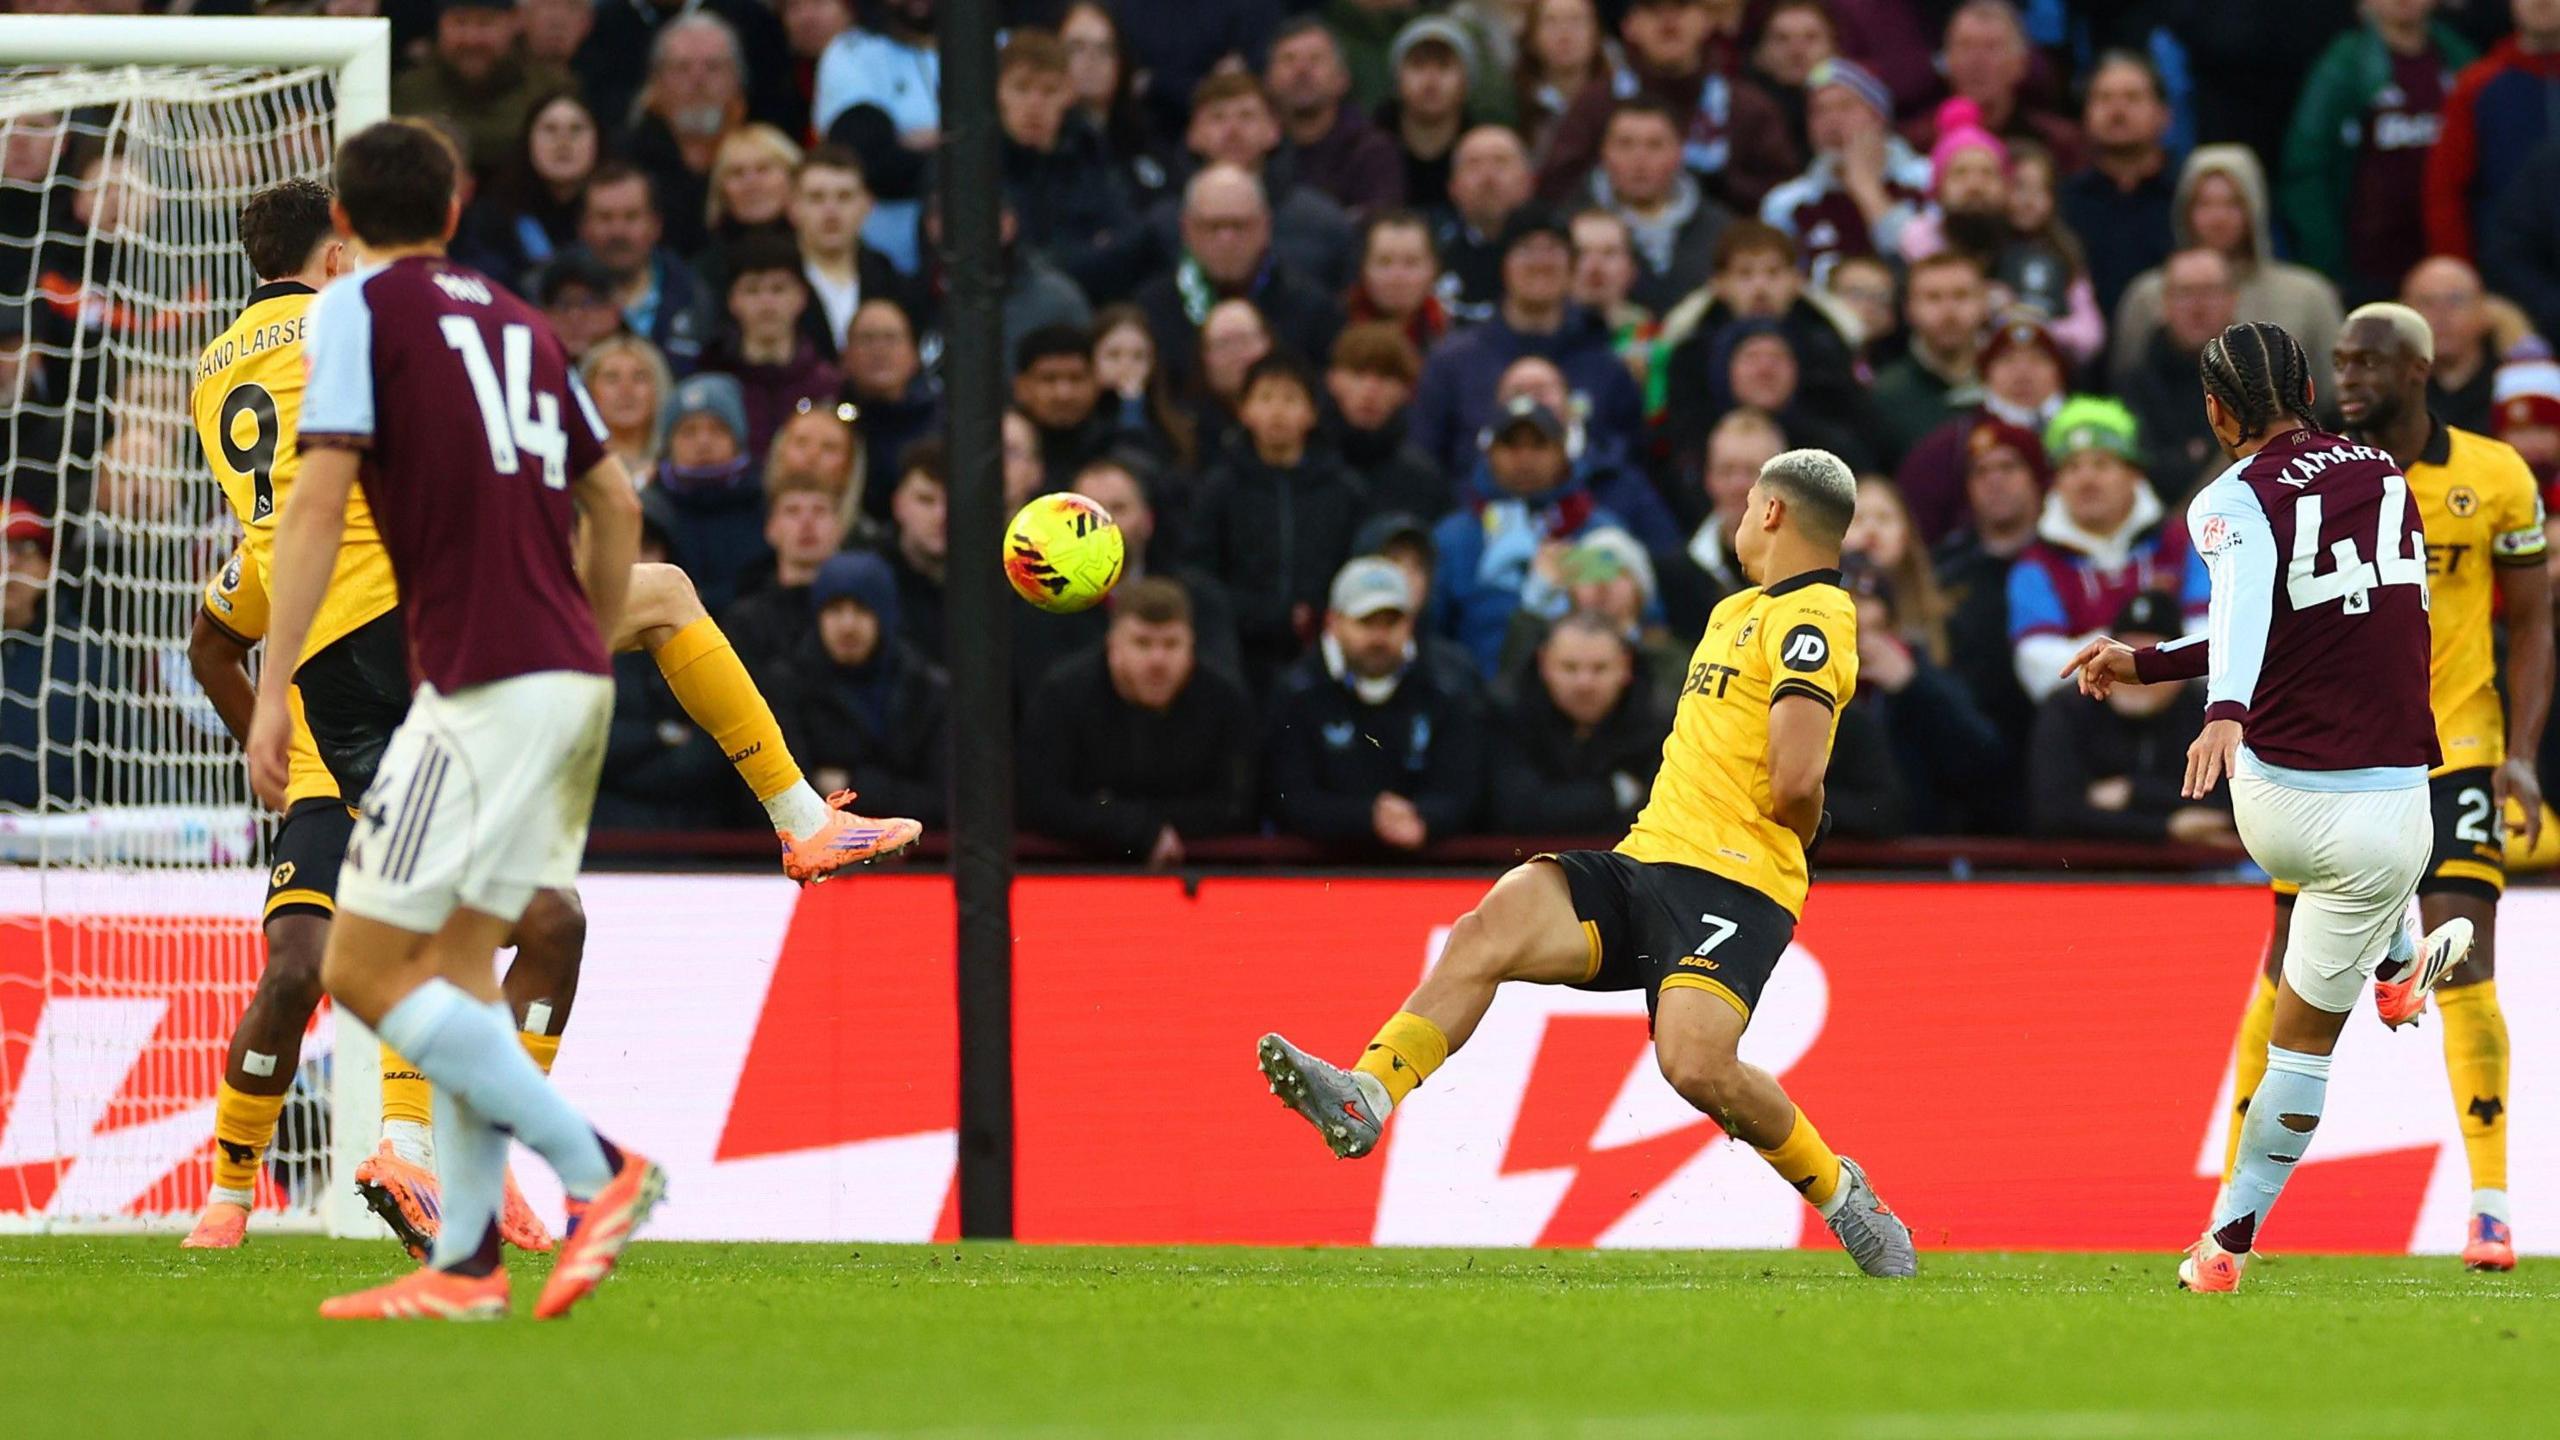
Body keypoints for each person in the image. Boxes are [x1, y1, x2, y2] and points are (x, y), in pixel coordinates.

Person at [195, 168, 914, 1262]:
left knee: (498, 898)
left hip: (340, 647)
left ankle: (429, 1155)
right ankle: (410, 1155)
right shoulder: (357, 319)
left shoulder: (216, 369)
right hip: (429, 605)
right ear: (340, 255)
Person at [1256, 447, 1916, 1279]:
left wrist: (1799, 829)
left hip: (1735, 882)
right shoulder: (1733, 613)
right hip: (1647, 860)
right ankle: (1369, 1092)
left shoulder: (1815, 617)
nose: (1744, 521)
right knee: (1492, 923)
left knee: (1694, 1064)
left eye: (1750, 505)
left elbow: (1795, 779)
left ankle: (1842, 1195)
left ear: (1774, 513)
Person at [242, 123, 662, 1320]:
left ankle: (599, 1168)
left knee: (369, 963)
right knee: (464, 963)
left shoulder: (356, 315)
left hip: (476, 680)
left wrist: (274, 693)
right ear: (457, 204)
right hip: (560, 675)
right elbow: (613, 499)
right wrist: (582, 635)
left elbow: (315, 509)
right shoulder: (521, 324)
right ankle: (468, 1264)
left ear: (345, 222)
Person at [2063, 321, 2464, 1293]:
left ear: (2215, 409)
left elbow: (2247, 611)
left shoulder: (2230, 498)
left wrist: (2222, 712)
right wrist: (2153, 661)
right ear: (2308, 388)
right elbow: (2295, 616)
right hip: (2396, 803)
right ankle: (2401, 965)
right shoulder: (2380, 473)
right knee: (2331, 988)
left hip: (2282, 795)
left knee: (2298, 1041)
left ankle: (2226, 1248)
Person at [2206, 304, 2550, 1275]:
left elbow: (2532, 622)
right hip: (2333, 759)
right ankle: (2237, 1191)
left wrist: (2519, 751)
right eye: (2340, 361)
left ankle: (2488, 1205)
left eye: (2372, 361)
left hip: (2456, 746)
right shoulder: (2317, 478)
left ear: (2422, 368)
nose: (2351, 375)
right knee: (2283, 965)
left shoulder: (2495, 477)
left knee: (2469, 957)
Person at [1018, 577, 1257, 864]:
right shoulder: (1063, 695)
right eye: (1142, 643)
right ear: (1113, 646)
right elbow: (1039, 799)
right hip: (1082, 873)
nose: (1158, 660)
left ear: (1191, 646)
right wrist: (1134, 828)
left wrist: (1142, 822)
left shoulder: (1223, 700)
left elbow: (1237, 804)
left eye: (1171, 644)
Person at [1264, 555, 1488, 851]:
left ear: (1410, 623)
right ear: (1333, 622)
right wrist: (1368, 817)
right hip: (1319, 873)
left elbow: (1463, 791)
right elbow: (1288, 797)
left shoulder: (1445, 686)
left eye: (1391, 622)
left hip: (1426, 869)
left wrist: (1424, 819)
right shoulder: (1298, 691)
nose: (1379, 637)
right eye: (1366, 622)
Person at [1409, 206, 1643, 480]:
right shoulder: (1452, 363)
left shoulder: (1605, 365)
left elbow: (1630, 463)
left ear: (1571, 266)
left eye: (1554, 250)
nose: (1540, 263)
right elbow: (1424, 465)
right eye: (1526, 250)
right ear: (1503, 265)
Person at [1184, 354, 1369, 696]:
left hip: (1322, 651)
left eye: (1290, 399)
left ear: (1312, 413)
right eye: (1265, 398)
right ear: (1245, 410)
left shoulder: (1343, 490)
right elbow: (1202, 574)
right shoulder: (1220, 487)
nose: (1278, 412)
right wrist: (1263, 615)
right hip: (1239, 654)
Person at [2008, 396, 2208, 706]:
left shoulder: (2182, 544)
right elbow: (2039, 668)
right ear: (2056, 484)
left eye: (2102, 464)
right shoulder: (2036, 565)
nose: (2086, 480)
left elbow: (2217, 640)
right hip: (2084, 726)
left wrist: (2117, 658)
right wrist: (2144, 653)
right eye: (2071, 468)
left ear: (2135, 474)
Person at [2281, 0, 2476, 304]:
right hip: (2366, 269)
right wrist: (2327, 262)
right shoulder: (2342, 66)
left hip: (2445, 266)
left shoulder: (2460, 60)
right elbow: (2306, 169)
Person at [2108, 146, 2343, 395]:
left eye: (2233, 204)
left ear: (2256, 207)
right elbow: (2125, 390)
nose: (2218, 218)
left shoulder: (2308, 296)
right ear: (2184, 210)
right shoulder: (2147, 296)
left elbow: (2334, 396)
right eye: (2204, 204)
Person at [1430, 396, 1627, 674]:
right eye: (1511, 445)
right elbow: (1433, 634)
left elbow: (1635, 623)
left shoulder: (1598, 534)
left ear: (1561, 452)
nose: (1524, 459)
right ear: (1490, 454)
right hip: (1478, 700)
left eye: (1538, 445)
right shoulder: (1454, 538)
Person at [2027, 589, 2237, 846]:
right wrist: (2166, 827)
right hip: (2082, 875)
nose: (2134, 677)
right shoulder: (2068, 708)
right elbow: (2054, 812)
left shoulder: (2208, 713)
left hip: (2195, 876)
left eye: (2149, 663)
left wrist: (2134, 791)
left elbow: (2228, 807)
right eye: (2124, 660)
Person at [1134, 162, 1345, 397]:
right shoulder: (1152, 311)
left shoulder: (1313, 309)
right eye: (1212, 226)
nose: (1226, 240)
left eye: (1239, 225)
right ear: (1187, 230)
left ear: (1265, 227)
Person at [771, 551, 949, 828]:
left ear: (885, 615)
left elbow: (944, 801)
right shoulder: (787, 686)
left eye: (862, 610)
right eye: (835, 610)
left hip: (916, 859)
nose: (848, 625)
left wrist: (852, 786)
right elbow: (788, 800)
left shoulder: (925, 688)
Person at [1489, 608, 1672, 833]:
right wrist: (1612, 794)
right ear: (1543, 663)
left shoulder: (1661, 723)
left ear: (1626, 666)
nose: (1584, 683)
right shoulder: (1508, 712)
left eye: (1600, 668)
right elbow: (1515, 810)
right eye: (1569, 668)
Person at [1758, 57, 1930, 285]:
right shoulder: (1786, 203)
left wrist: (1866, 188)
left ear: (1878, 117)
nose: (1832, 121)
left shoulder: (1927, 179)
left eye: (1846, 107)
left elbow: (1930, 264)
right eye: (1819, 111)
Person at [2424, 0, 2560, 264]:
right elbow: (2446, 190)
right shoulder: (2476, 86)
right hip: (2500, 275)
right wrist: (2458, 268)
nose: (2542, 2)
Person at [811, 0, 940, 273]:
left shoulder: (997, 45)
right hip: (885, 264)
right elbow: (871, 164)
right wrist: (956, 145)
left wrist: (920, 143)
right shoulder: (852, 52)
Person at [389, 0, 569, 182]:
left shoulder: (549, 90)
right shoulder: (408, 92)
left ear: (515, 22)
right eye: (460, 23)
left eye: (485, 23)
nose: (472, 39)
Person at [2056, 50, 2177, 321]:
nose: (2117, 110)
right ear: (2086, 115)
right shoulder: (2063, 202)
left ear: (2165, 115)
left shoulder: (2187, 201)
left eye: (2132, 98)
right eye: (2104, 98)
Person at [2118, 248, 2242, 503]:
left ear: (2233, 299)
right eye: (2185, 294)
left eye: (2210, 292)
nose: (2198, 307)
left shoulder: (2261, 380)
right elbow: (2146, 472)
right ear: (2165, 303)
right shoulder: (2136, 383)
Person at [624, 12, 752, 258]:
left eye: (713, 67)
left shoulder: (762, 160)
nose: (698, 79)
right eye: (682, 68)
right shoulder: (626, 159)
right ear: (656, 82)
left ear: (737, 79)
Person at [701, 234, 840, 459]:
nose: (766, 303)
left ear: (801, 297)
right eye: (752, 290)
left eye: (778, 289)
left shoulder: (828, 384)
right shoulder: (709, 380)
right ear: (732, 301)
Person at [573, 162, 710, 373]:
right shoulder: (547, 295)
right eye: (605, 218)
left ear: (655, 226)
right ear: (583, 227)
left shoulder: (695, 295)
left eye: (631, 217)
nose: (617, 232)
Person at [1267, 18, 1403, 215]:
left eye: (1315, 59)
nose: (1302, 70)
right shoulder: (1258, 151)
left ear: (1343, 79)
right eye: (1288, 59)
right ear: (1268, 79)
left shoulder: (1371, 150)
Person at [722, 471, 849, 677]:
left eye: (819, 510)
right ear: (771, 529)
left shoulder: (861, 614)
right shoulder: (745, 623)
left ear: (840, 528)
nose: (807, 523)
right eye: (792, 511)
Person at [789, 146, 910, 357]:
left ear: (867, 205)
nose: (831, 212)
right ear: (793, 207)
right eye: (816, 198)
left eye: (844, 197)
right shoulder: (775, 280)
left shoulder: (892, 282)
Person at [1870, 252, 1988, 460]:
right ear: (1908, 309)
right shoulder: (1884, 394)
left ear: (1983, 303)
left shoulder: (2008, 381)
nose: (1949, 311)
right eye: (1933, 298)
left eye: (1961, 296)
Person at [1325, 322, 1446, 520]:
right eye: (1358, 374)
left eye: (1385, 377)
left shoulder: (1421, 480)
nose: (1370, 390)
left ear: (1406, 390)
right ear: (1333, 380)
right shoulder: (1304, 465)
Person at [2404, 255, 2498, 433]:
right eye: (2426, 302)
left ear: (2484, 310)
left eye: (2456, 300)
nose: (2441, 314)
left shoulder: (2514, 386)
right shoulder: (2391, 394)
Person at [578, 333, 677, 477]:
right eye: (611, 378)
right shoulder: (571, 468)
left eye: (639, 377)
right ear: (588, 391)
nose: (626, 391)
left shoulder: (679, 468)